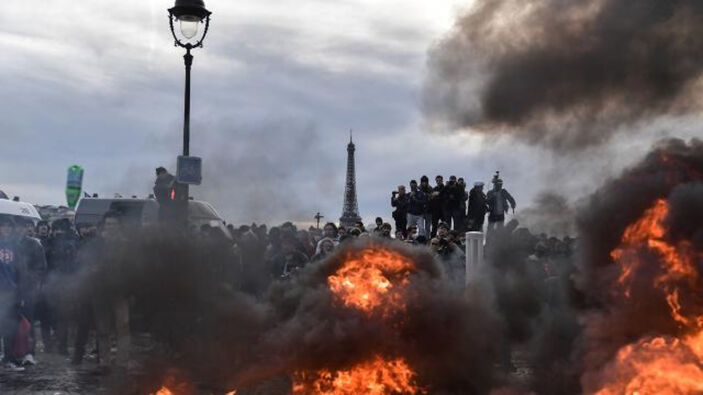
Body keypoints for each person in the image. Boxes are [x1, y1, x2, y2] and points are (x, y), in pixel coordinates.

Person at [75, 211, 131, 371]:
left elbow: (132, 268)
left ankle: (122, 362)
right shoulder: (96, 244)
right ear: (104, 225)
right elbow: (85, 262)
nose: (111, 227)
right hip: (100, 291)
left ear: (119, 226)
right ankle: (104, 361)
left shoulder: (126, 244)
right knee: (102, 329)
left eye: (114, 224)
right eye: (108, 224)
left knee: (123, 327)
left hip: (121, 292)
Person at [16, 218, 47, 364]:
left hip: (28, 288)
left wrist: (32, 281)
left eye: (24, 227)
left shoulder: (34, 244)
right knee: (10, 322)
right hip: (10, 288)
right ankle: (13, 352)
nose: (21, 230)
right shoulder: (8, 244)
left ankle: (29, 352)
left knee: (28, 321)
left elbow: (41, 267)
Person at [0, 216, 26, 371]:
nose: (6, 229)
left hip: (11, 292)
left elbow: (21, 271)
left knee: (10, 326)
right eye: (3, 226)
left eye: (9, 226)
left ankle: (9, 358)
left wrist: (21, 292)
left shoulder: (16, 247)